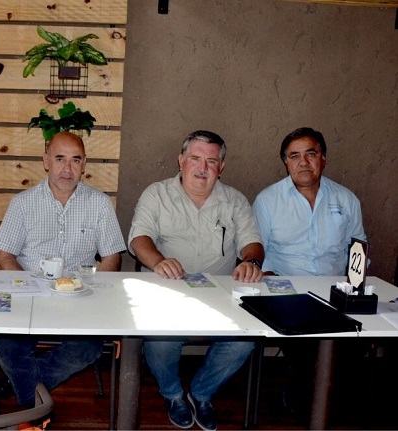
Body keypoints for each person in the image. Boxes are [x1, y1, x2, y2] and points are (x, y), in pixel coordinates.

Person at [128, 130, 264, 431]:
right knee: (159, 338)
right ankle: (172, 394)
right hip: (167, 290)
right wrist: (158, 261)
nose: (203, 168)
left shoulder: (235, 200)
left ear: (221, 167)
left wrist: (251, 262)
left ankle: (201, 393)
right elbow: (139, 239)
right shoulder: (156, 194)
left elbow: (252, 243)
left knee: (245, 339)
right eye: (195, 158)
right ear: (181, 161)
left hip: (219, 295)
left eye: (211, 161)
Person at [0, 131, 127, 407]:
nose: (68, 168)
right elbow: (4, 256)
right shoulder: (23, 203)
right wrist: (27, 285)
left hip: (80, 299)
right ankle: (33, 402)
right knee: (8, 347)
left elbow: (112, 257)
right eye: (60, 159)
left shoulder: (99, 203)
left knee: (87, 348)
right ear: (46, 161)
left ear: (84, 164)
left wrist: (94, 291)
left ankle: (26, 389)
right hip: (31, 298)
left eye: (75, 160)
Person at [252, 127, 366, 414]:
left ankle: (333, 398)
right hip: (286, 291)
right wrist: (268, 280)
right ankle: (302, 395)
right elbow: (256, 250)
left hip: (334, 290)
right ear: (286, 162)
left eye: (310, 154)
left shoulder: (346, 199)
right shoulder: (268, 200)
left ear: (323, 158)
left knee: (356, 341)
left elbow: (358, 249)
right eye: (294, 156)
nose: (303, 162)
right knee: (303, 344)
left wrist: (355, 284)